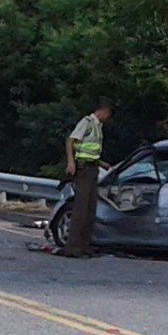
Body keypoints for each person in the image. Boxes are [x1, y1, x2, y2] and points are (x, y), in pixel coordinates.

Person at [59, 99, 114, 258]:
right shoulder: (87, 122)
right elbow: (71, 140)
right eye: (108, 114)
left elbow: (90, 151)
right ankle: (73, 247)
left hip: (93, 168)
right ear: (103, 111)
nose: (108, 118)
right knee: (80, 210)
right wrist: (71, 162)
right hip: (83, 170)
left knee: (91, 209)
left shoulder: (98, 126)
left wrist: (102, 164)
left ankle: (84, 245)